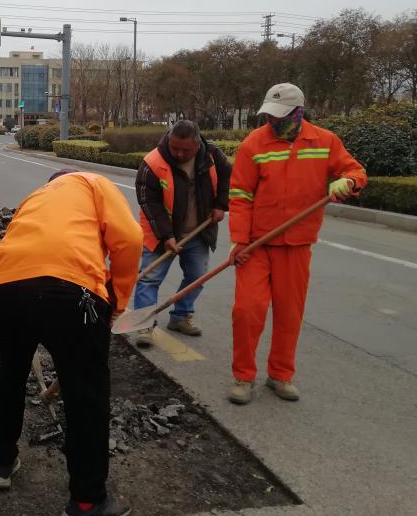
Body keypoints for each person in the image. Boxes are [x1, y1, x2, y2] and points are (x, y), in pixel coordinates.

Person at [0, 170, 143, 516]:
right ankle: (87, 502)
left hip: (6, 288)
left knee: (10, 375)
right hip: (72, 290)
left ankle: (1, 463)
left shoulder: (36, 197)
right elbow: (131, 239)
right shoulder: (93, 182)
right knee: (86, 393)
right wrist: (117, 301)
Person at [227, 83, 367, 405]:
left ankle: (280, 374)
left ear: (299, 112)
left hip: (297, 245)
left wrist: (348, 181)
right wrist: (239, 240)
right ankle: (243, 376)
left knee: (290, 314)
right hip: (257, 245)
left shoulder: (325, 142)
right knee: (247, 310)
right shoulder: (254, 144)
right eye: (270, 115)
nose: (273, 121)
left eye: (280, 116)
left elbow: (355, 170)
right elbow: (240, 195)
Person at [134, 119, 231, 345]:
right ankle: (143, 324)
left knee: (197, 276)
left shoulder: (213, 155)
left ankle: (180, 316)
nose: (178, 153)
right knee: (149, 279)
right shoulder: (152, 163)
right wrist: (166, 236)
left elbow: (227, 177)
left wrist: (220, 205)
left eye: (185, 150)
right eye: (174, 148)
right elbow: (149, 203)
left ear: (197, 145)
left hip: (198, 230)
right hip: (160, 231)